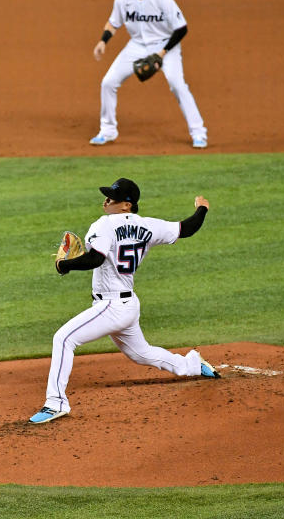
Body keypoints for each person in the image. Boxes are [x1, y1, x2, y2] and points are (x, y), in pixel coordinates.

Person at [29, 177, 219, 424]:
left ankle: (55, 403)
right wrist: (202, 207)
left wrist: (64, 265)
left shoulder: (104, 225)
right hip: (127, 306)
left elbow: (95, 259)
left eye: (112, 198)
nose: (106, 201)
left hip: (112, 306)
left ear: (127, 205)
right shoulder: (149, 226)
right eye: (107, 196)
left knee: (64, 338)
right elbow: (188, 228)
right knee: (141, 353)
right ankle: (192, 365)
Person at [90, 0, 208, 149]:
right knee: (108, 82)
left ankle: (199, 133)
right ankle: (108, 130)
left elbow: (181, 29)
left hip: (165, 45)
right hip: (136, 46)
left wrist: (161, 54)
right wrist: (103, 41)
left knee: (177, 85)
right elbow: (113, 23)